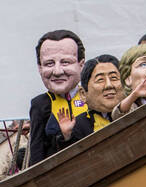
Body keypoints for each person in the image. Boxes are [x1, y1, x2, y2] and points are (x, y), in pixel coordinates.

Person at [23, 29, 94, 167]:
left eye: (66, 62)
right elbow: (37, 154)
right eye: (49, 64)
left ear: (81, 64)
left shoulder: (92, 97)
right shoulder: (40, 105)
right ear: (39, 68)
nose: (57, 71)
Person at [80, 54, 123, 130]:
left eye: (113, 78)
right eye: (100, 80)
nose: (109, 85)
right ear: (83, 94)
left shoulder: (137, 113)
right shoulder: (78, 127)